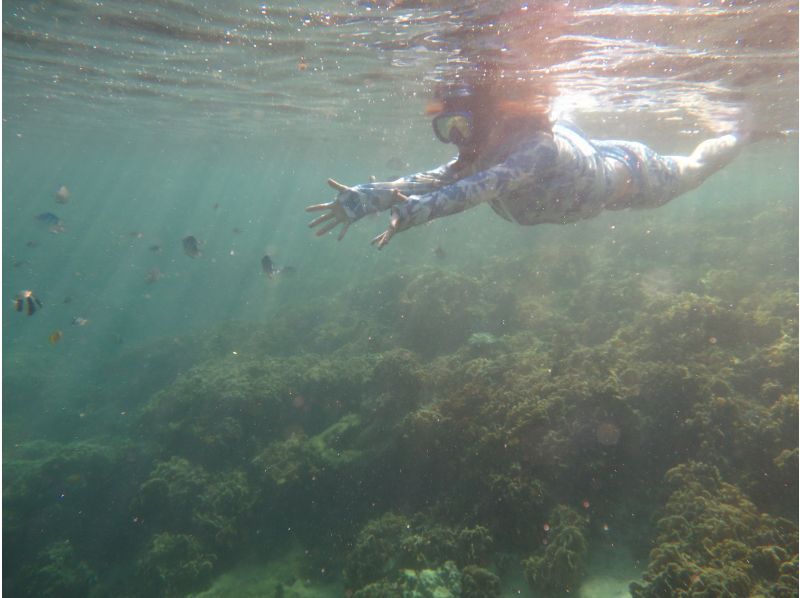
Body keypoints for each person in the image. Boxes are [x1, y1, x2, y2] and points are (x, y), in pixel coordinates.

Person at [306, 83, 746, 249]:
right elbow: (434, 179)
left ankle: (741, 131)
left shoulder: (535, 149)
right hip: (585, 168)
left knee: (693, 169)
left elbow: (483, 188)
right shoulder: (485, 153)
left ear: (490, 120)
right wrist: (365, 198)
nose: (457, 137)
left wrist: (421, 211)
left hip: (632, 171)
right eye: (446, 128)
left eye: (462, 124)